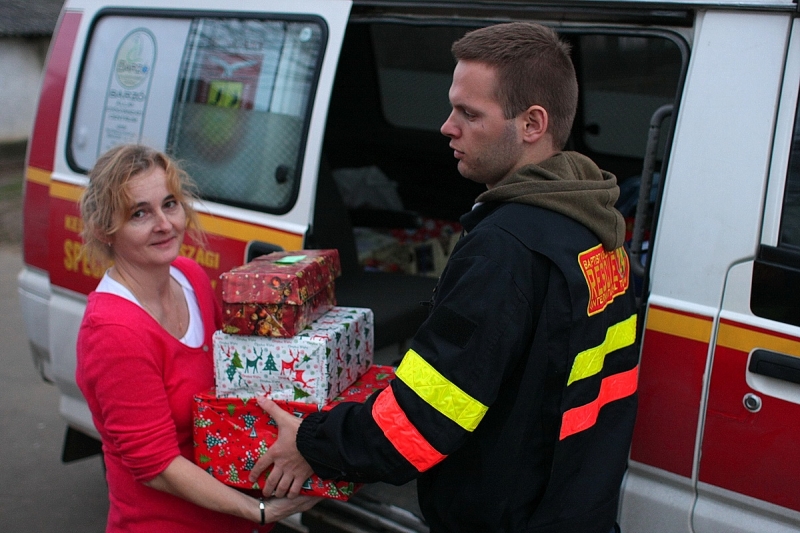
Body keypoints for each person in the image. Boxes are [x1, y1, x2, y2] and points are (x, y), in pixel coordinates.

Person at [250, 22, 639, 533]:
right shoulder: (597, 225)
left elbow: (421, 422)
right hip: (577, 510)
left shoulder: (506, 249)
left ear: (532, 124)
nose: (447, 127)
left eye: (469, 113)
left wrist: (311, 442)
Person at [75, 144, 318, 533]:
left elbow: (239, 380)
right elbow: (157, 468)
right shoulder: (112, 331)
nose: (164, 224)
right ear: (106, 229)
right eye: (140, 213)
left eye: (169, 204)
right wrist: (259, 511)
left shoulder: (188, 277)